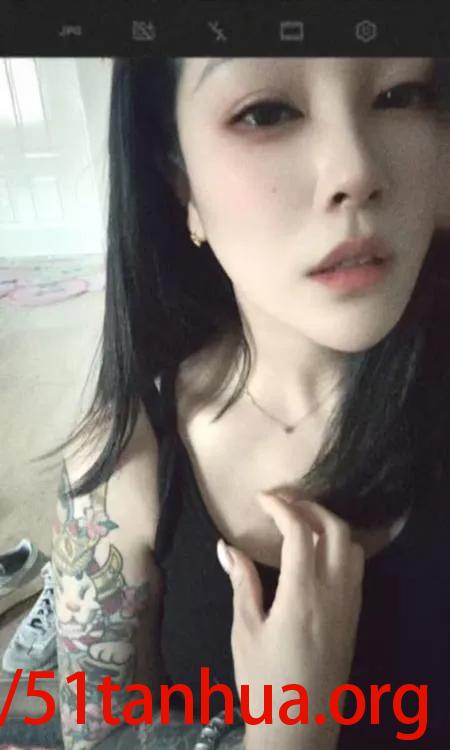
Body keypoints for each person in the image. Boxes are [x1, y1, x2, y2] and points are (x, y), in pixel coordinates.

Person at [47, 56, 450, 749]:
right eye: (265, 113)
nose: (355, 169)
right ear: (178, 175)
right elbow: (93, 735)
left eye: (399, 93)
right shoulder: (121, 467)